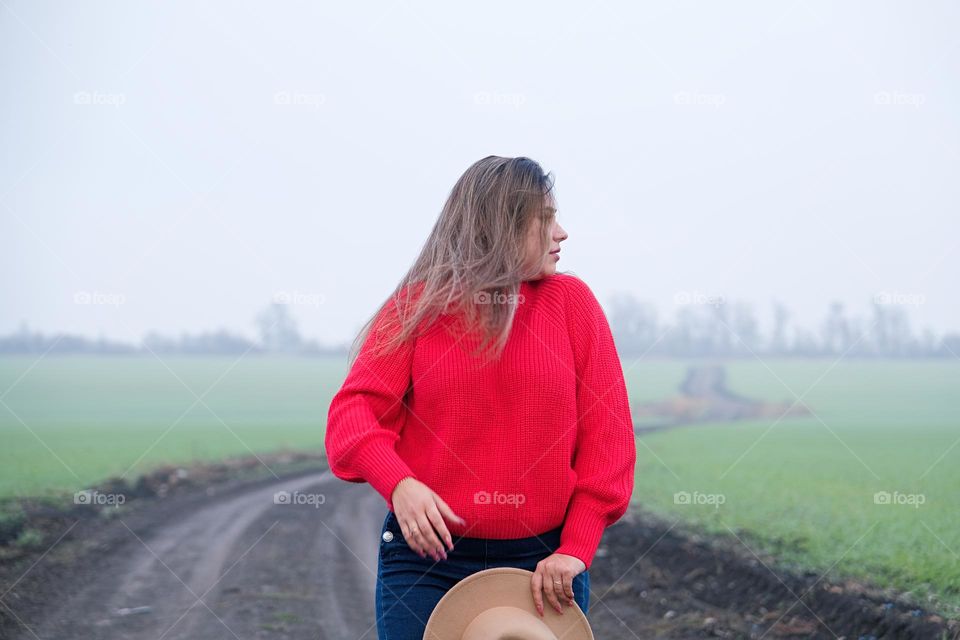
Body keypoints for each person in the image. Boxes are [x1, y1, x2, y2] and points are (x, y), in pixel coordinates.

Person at [324, 155, 636, 640]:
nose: (562, 233)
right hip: (427, 565)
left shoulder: (573, 305)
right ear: (504, 226)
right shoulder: (418, 307)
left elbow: (608, 439)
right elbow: (353, 415)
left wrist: (576, 546)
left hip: (543, 570)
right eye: (546, 218)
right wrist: (400, 484)